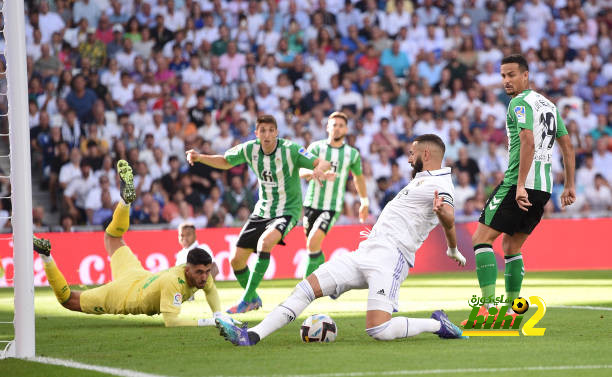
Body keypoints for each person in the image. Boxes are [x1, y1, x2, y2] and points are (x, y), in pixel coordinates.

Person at [215, 134, 468, 345]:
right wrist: (453, 248)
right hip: (365, 250)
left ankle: (437, 323)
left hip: (391, 258)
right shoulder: (420, 180)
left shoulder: (442, 183)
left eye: (412, 153)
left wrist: (445, 218)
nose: (409, 158)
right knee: (305, 288)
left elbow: (448, 215)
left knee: (378, 330)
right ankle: (251, 336)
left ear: (426, 154)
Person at [33, 160, 235, 327]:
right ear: (188, 270)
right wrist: (211, 322)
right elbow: (172, 322)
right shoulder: (173, 283)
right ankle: (46, 256)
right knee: (68, 300)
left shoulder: (200, 273)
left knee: (112, 237)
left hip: (138, 275)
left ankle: (125, 202)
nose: (204, 277)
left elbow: (211, 289)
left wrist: (219, 314)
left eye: (206, 271)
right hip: (124, 295)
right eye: (200, 272)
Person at [186, 115, 333, 314]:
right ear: (257, 133)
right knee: (236, 261)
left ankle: (246, 299)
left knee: (265, 243)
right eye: (262, 130)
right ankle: (253, 298)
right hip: (262, 211)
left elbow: (322, 162)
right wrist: (200, 157)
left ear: (277, 132)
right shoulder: (250, 149)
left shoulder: (290, 149)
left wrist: (317, 171)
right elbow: (225, 161)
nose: (267, 134)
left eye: (271, 130)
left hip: (287, 210)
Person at [470, 54, 576, 318]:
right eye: (503, 75)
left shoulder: (518, 103)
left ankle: (488, 307)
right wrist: (569, 185)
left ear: (525, 75)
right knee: (511, 247)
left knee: (481, 239)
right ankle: (511, 309)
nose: (506, 80)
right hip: (543, 189)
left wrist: (518, 186)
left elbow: (527, 141)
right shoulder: (549, 105)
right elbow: (568, 147)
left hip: (519, 183)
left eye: (511, 75)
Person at [299, 111, 369, 278]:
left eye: (341, 126)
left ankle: (304, 288)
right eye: (334, 125)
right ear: (327, 128)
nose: (337, 128)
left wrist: (364, 201)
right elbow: (301, 171)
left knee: (313, 242)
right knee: (313, 248)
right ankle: (331, 281)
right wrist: (316, 172)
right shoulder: (316, 147)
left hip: (332, 206)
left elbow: (358, 178)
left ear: (346, 130)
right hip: (310, 203)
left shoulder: (352, 154)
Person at [175, 222, 221, 311]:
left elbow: (215, 268)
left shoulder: (202, 248)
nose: (184, 238)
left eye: (188, 235)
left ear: (195, 235)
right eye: (181, 235)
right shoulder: (180, 254)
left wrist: (203, 285)